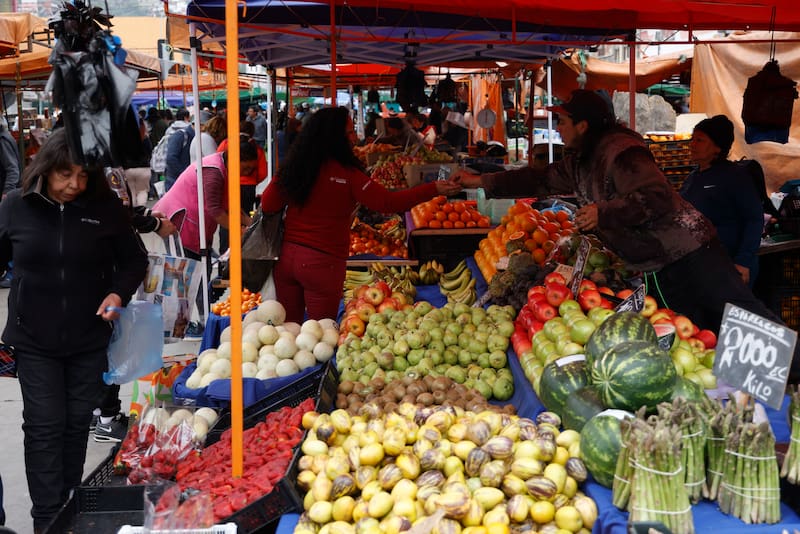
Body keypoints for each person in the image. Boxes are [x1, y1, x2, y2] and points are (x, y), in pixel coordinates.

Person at [453, 89, 796, 366]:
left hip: (691, 251)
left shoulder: (622, 151)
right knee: (699, 333)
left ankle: (792, 371)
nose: (558, 128)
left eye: (563, 121)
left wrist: (603, 213)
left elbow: (656, 195)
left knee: (743, 319)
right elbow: (540, 179)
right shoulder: (580, 159)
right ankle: (745, 392)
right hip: (660, 261)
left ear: (584, 125)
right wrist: (479, 180)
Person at [0, 128, 148, 531]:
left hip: (89, 340)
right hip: (33, 341)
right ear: (46, 168)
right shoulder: (15, 206)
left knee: (75, 425)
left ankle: (67, 507)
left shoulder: (104, 208)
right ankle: (46, 519)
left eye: (83, 176)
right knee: (45, 427)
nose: (74, 185)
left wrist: (117, 294)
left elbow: (135, 261)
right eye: (65, 174)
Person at [260, 107, 460, 323]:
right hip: (322, 263)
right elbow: (387, 203)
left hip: (287, 259)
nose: (355, 137)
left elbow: (268, 203)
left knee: (289, 332)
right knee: (322, 333)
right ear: (334, 138)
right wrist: (433, 189)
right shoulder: (347, 173)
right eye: (349, 133)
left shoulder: (294, 168)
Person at [680, 115, 764, 288]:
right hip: (700, 265)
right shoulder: (692, 178)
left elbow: (754, 219)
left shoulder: (735, 177)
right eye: (692, 139)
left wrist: (743, 261)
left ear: (717, 148)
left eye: (700, 140)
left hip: (730, 266)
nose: (692, 144)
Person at [217, 122, 268, 215]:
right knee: (245, 215)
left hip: (228, 184)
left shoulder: (225, 143)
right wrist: (253, 180)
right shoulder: (257, 149)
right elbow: (263, 172)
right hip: (248, 186)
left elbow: (218, 162)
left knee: (227, 214)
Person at [0, 118, 21, 289]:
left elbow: (13, 169)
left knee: (7, 233)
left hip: (6, 195)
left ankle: (12, 270)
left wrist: (6, 194)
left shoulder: (2, 140)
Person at [164, 110, 203, 191]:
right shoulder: (181, 135)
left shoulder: (197, 137)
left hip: (183, 179)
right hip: (175, 180)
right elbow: (171, 158)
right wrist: (185, 173)